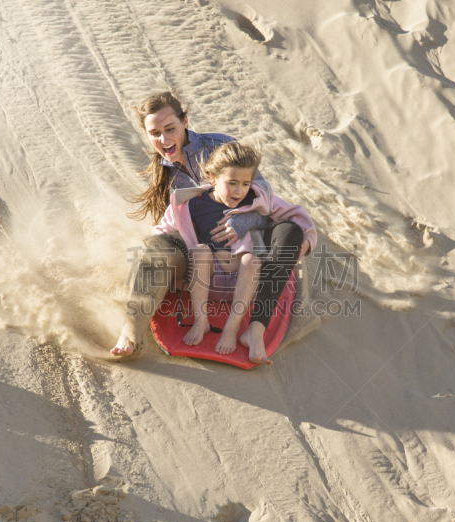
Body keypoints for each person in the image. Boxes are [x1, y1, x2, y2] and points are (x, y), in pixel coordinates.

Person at [111, 92, 316, 364]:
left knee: (290, 231)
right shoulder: (166, 174)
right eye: (155, 133)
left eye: (170, 129)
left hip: (245, 254)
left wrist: (244, 222)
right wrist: (155, 258)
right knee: (160, 248)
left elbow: (261, 198)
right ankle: (132, 327)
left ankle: (255, 327)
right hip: (202, 261)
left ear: (185, 121)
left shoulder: (218, 148)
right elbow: (167, 228)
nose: (164, 139)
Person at [150, 142, 315, 363]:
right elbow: (162, 233)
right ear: (213, 179)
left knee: (251, 259)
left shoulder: (258, 198)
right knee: (200, 251)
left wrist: (306, 241)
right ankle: (202, 321)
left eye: (245, 183)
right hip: (210, 283)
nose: (239, 190)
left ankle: (232, 328)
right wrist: (152, 256)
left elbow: (295, 216)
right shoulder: (191, 204)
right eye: (232, 183)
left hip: (245, 283)